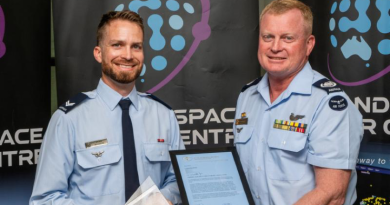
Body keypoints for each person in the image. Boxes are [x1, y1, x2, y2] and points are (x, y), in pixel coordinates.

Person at [30, 11, 184, 205]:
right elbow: (44, 199)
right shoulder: (69, 120)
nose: (128, 55)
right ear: (98, 53)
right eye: (117, 45)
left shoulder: (164, 116)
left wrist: (161, 200)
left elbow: (178, 180)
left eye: (136, 46)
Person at [233, 0, 363, 204]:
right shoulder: (247, 96)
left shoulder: (329, 104)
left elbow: (331, 194)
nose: (275, 47)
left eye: (287, 38)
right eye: (268, 37)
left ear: (309, 44)